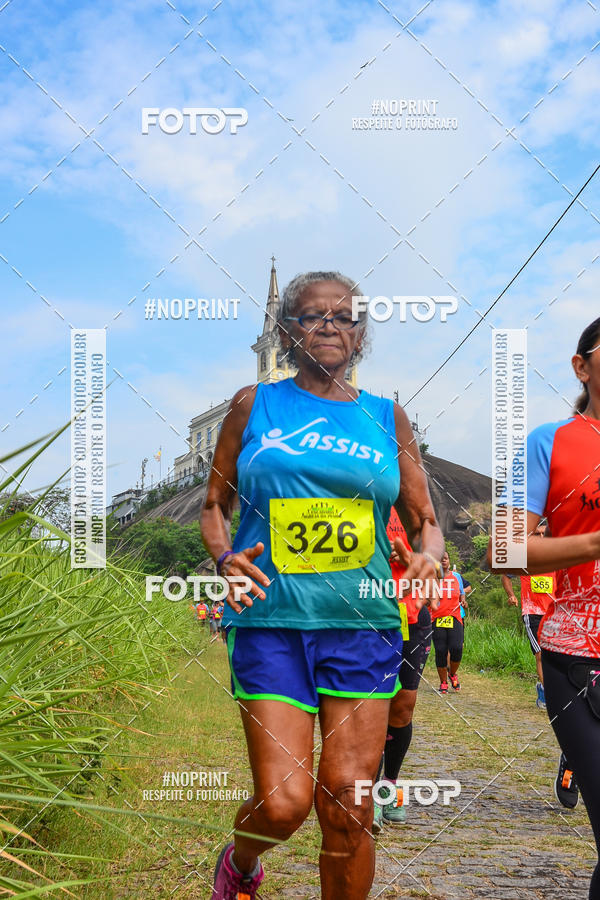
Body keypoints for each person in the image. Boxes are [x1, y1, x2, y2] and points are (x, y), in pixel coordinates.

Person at [201, 270, 444, 900]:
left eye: (344, 317)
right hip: (271, 621)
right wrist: (224, 556)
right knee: (284, 804)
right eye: (313, 316)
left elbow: (427, 520)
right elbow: (213, 506)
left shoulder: (387, 417)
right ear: (287, 333)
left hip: (363, 625)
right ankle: (241, 861)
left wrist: (428, 557)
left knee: (347, 805)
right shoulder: (252, 405)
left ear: (360, 335)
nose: (330, 326)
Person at [488, 317, 600, 900]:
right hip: (580, 656)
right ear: (582, 367)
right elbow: (502, 551)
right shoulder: (549, 443)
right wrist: (594, 543)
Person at [373, 507, 435, 832]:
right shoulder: (354, 498)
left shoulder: (413, 508)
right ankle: (369, 793)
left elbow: (433, 568)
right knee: (372, 705)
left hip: (411, 617)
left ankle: (389, 786)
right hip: (368, 615)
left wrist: (410, 559)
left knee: (403, 707)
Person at [500, 523, 554, 709]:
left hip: (554, 613)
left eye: (543, 534)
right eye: (536, 534)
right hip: (532, 612)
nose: (541, 537)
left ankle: (545, 689)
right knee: (541, 654)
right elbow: (505, 575)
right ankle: (550, 696)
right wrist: (511, 595)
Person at [431, 551, 465, 693]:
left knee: (457, 648)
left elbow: (462, 593)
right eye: (440, 559)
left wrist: (463, 601)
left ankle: (452, 673)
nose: (443, 561)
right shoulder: (431, 577)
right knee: (440, 650)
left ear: (449, 561)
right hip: (437, 618)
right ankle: (443, 682)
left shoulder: (456, 577)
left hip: (454, 617)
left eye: (445, 558)